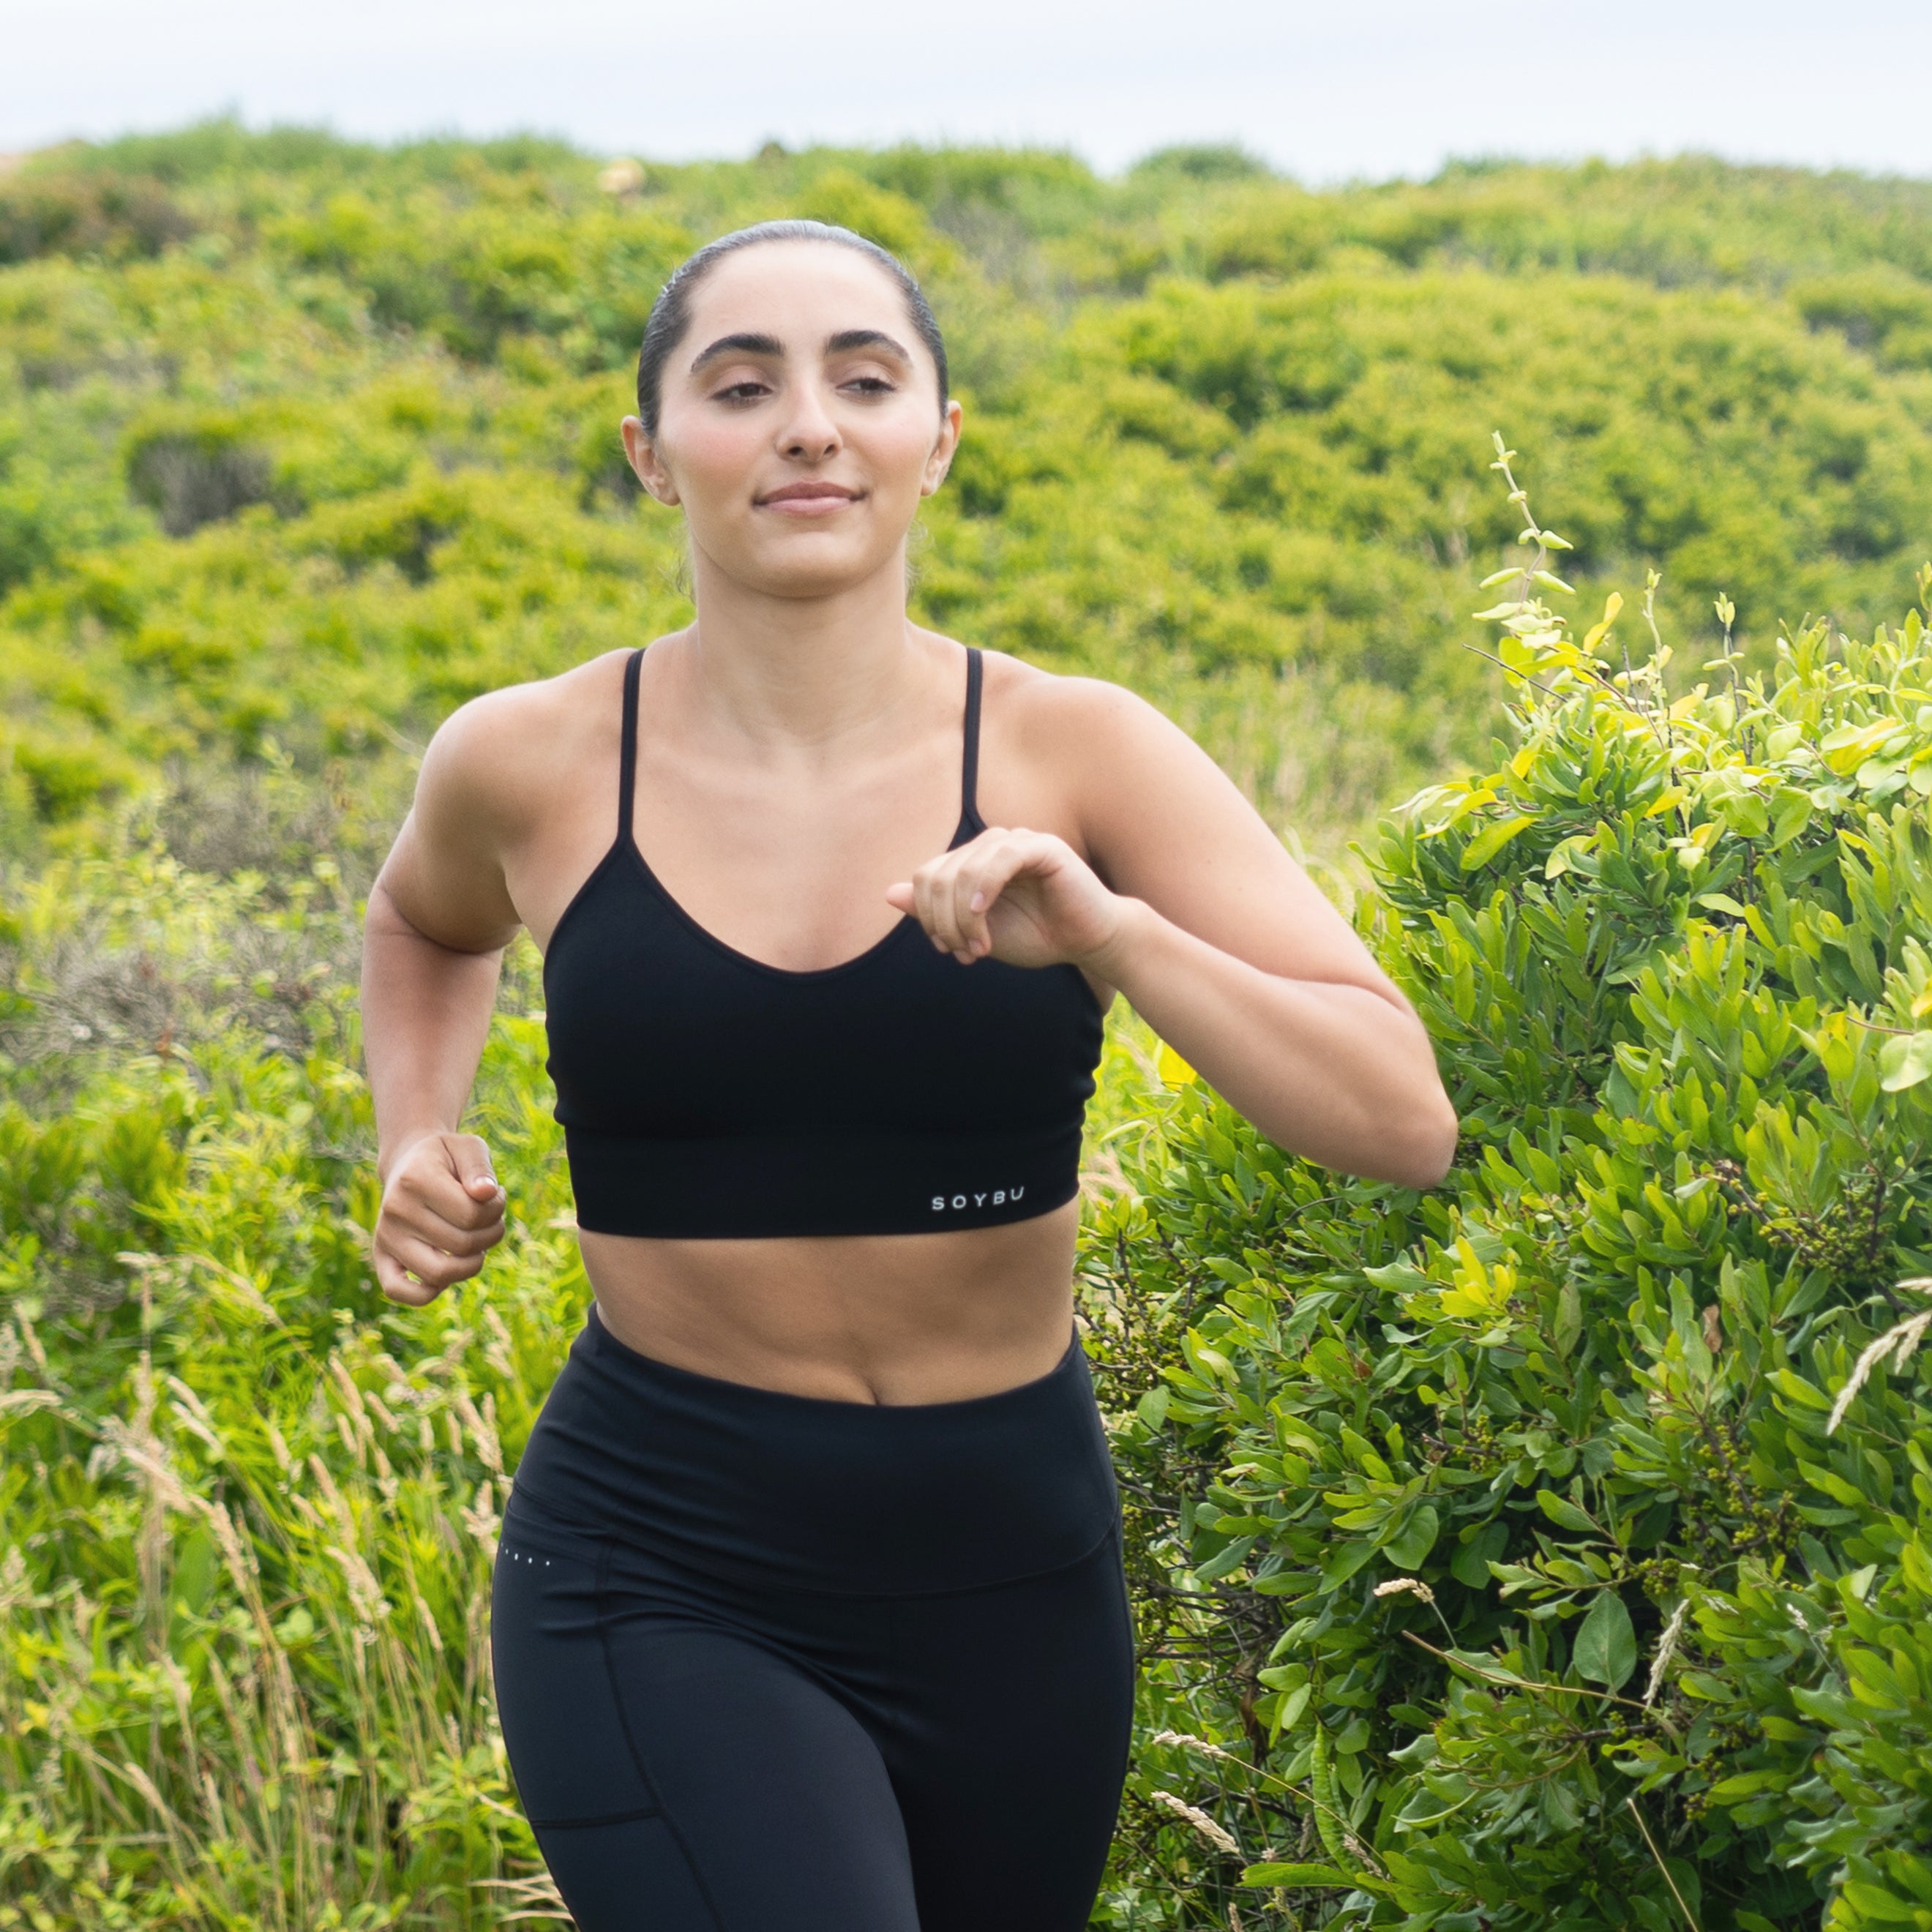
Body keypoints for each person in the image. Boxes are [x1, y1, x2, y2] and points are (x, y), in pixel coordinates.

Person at [358, 218, 1458, 1932]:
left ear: (937, 440)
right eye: (743, 387)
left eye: (864, 381)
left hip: (1016, 1569)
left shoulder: (1078, 749)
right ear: (651, 451)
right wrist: (415, 1130)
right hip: (666, 1563)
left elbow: (1400, 1119)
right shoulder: (532, 760)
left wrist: (1112, 936)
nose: (809, 425)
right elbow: (424, 925)